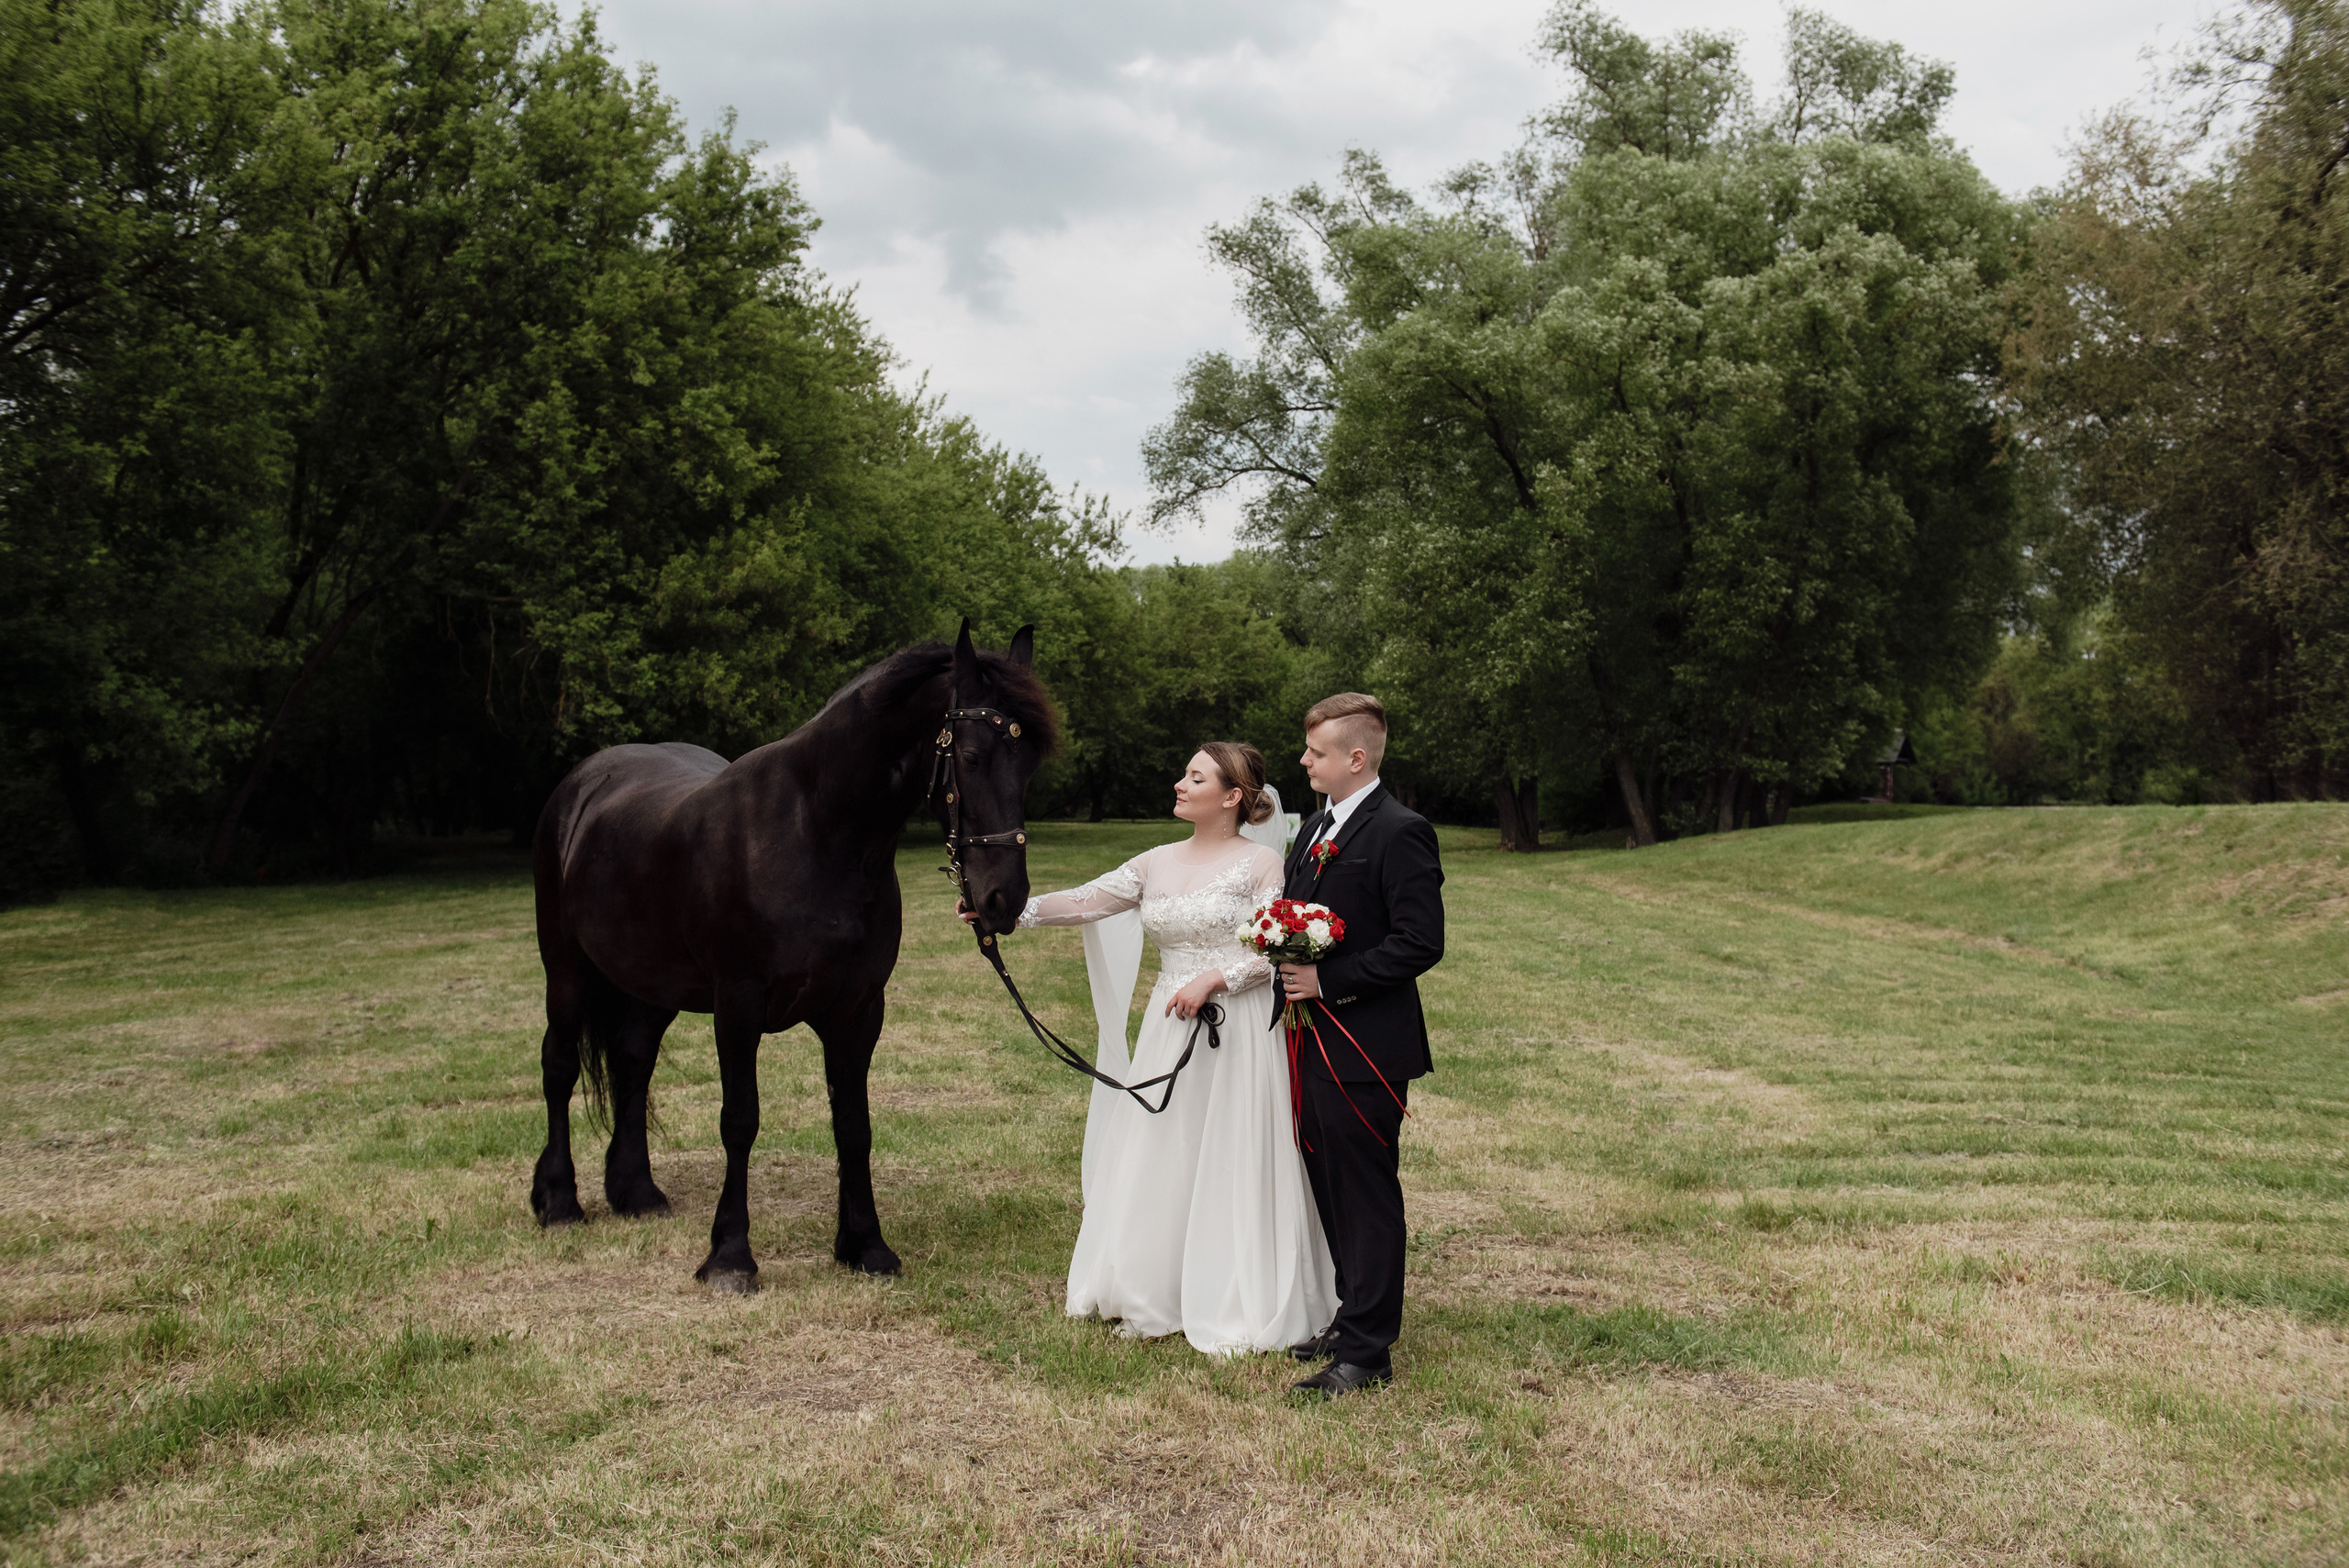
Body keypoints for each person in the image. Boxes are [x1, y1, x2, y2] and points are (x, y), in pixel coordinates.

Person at [989, 741, 1337, 1354]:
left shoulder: (1260, 866)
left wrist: (1217, 979)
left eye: (1194, 776)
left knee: (1232, 1147)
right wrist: (1007, 914)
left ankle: (1233, 1288)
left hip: (1237, 1024)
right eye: (1183, 773)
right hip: (1168, 1023)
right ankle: (1158, 1284)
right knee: (1163, 1147)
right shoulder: (1155, 862)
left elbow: (1274, 944)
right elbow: (1084, 901)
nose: (1179, 783)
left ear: (1231, 796)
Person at [1277, 693, 1445, 1398]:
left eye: (1316, 751)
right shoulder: (1314, 827)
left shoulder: (1400, 829)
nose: (1304, 760)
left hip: (1366, 1045)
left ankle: (1368, 1352)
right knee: (1330, 1186)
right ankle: (1352, 1317)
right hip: (1309, 1042)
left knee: (1367, 1193)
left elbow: (1420, 941)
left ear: (1356, 756)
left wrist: (1328, 980)